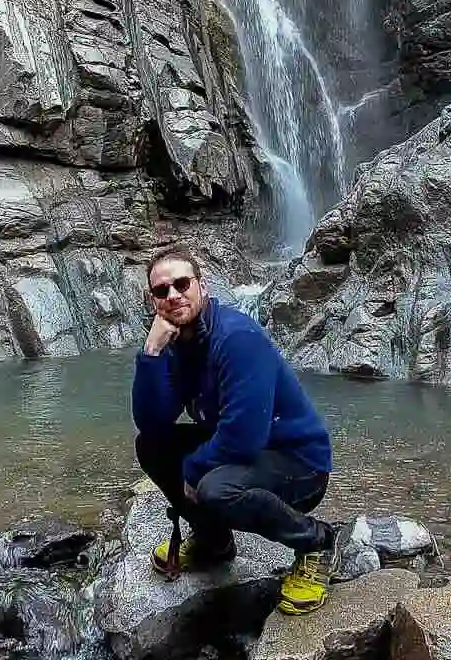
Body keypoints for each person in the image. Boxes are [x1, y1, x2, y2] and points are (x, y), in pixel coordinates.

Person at [131, 243, 347, 615]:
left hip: (299, 463)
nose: (173, 295)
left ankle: (317, 543)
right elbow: (152, 420)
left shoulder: (236, 339)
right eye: (161, 290)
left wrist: (193, 471)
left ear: (203, 287)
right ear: (153, 301)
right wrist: (150, 354)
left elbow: (244, 434)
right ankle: (214, 542)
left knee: (215, 488)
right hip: (246, 449)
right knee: (151, 444)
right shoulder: (176, 343)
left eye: (182, 284)